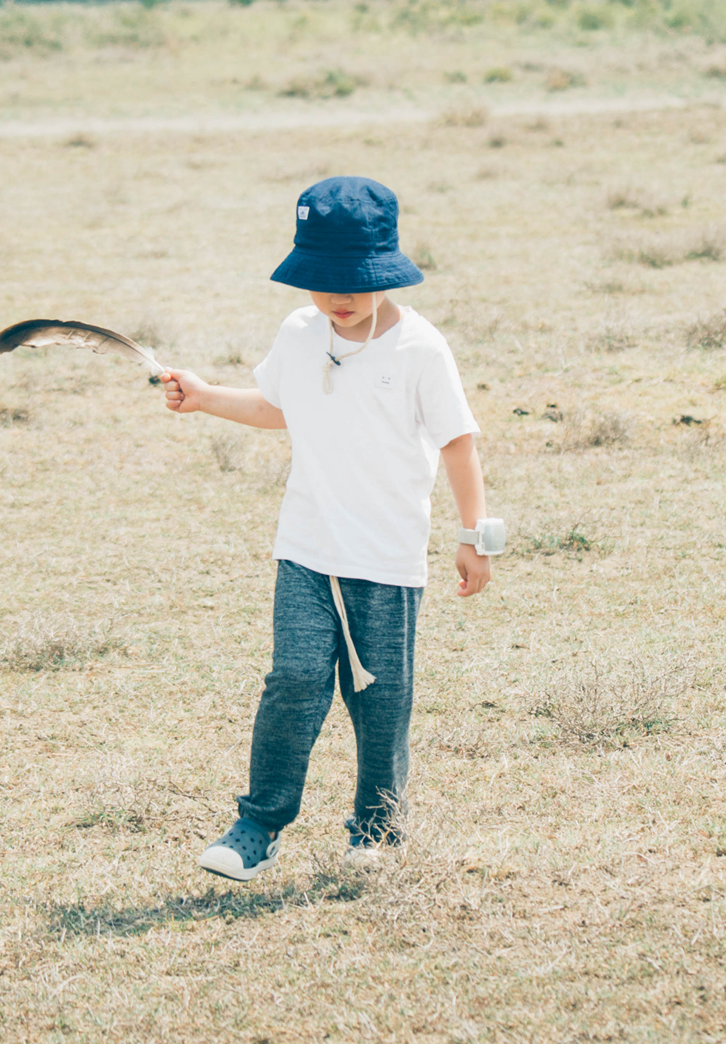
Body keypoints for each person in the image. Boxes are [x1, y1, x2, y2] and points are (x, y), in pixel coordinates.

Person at [160, 176, 495, 880]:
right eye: (322, 280)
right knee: (294, 680)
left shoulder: (420, 351)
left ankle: (377, 830)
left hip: (388, 560)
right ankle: (258, 824)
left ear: (385, 269)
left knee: (382, 700)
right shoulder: (300, 334)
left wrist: (475, 534)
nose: (338, 295)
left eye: (355, 279)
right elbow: (278, 407)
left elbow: (459, 442)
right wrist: (205, 397)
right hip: (307, 551)